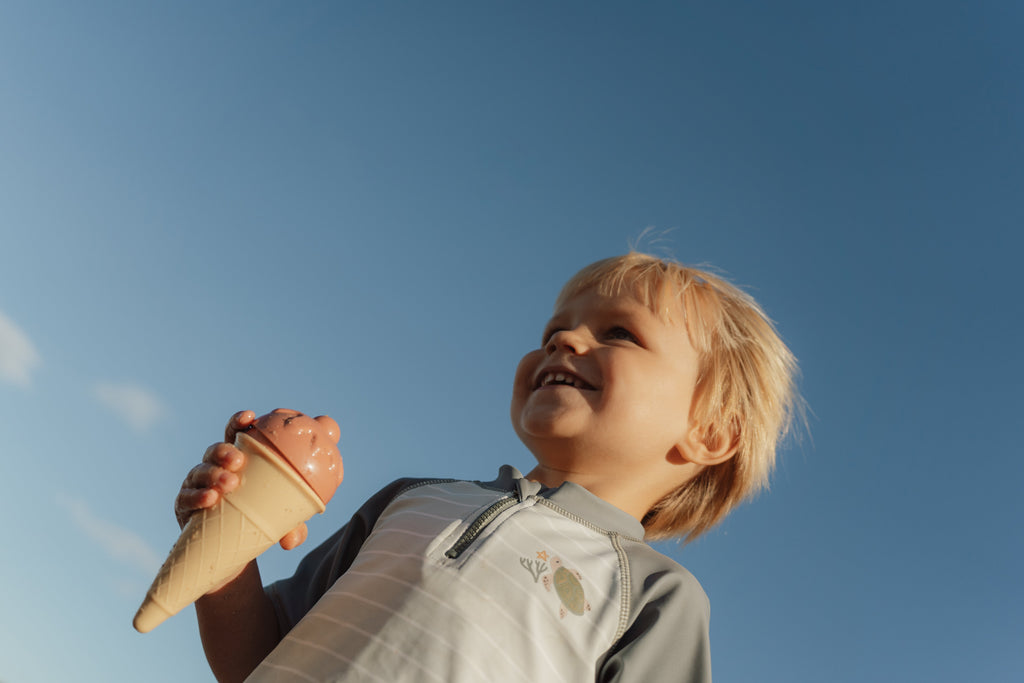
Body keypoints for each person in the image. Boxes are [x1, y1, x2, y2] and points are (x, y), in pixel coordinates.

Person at [175, 252, 800, 682]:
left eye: (619, 333)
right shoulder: (409, 500)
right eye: (556, 328)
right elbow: (254, 657)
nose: (564, 340)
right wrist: (226, 548)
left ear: (710, 432)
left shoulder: (652, 596)